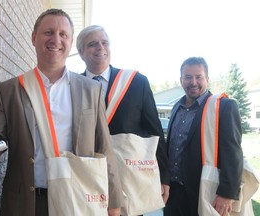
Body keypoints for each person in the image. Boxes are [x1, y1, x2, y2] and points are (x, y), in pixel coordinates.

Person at [0, 9, 123, 216]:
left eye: (63, 34)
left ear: (70, 43)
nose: (56, 39)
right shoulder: (8, 90)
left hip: (77, 198)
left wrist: (113, 200)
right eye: (48, 32)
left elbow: (104, 146)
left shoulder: (90, 90)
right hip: (27, 202)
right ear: (34, 38)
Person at [76, 25, 170, 215]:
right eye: (93, 44)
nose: (100, 48)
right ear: (81, 52)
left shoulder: (136, 82)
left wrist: (164, 176)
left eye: (104, 43)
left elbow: (154, 131)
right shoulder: (72, 86)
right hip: (87, 177)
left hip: (128, 178)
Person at [164, 56, 243, 216]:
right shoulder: (176, 109)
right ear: (181, 80)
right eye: (188, 77)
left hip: (203, 193)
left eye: (198, 77)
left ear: (207, 79)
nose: (193, 82)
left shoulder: (223, 107)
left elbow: (233, 154)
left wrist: (227, 193)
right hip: (172, 194)